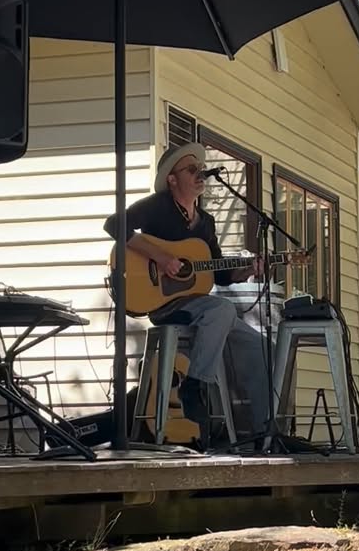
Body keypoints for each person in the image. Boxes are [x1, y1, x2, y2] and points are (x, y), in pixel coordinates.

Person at [104, 142, 269, 441]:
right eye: (191, 169)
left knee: (260, 346)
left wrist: (246, 270)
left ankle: (264, 433)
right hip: (165, 304)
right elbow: (115, 225)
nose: (200, 174)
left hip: (200, 307)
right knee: (222, 309)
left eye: (201, 169)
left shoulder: (205, 222)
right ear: (172, 179)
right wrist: (162, 258)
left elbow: (218, 273)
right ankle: (195, 385)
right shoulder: (158, 206)